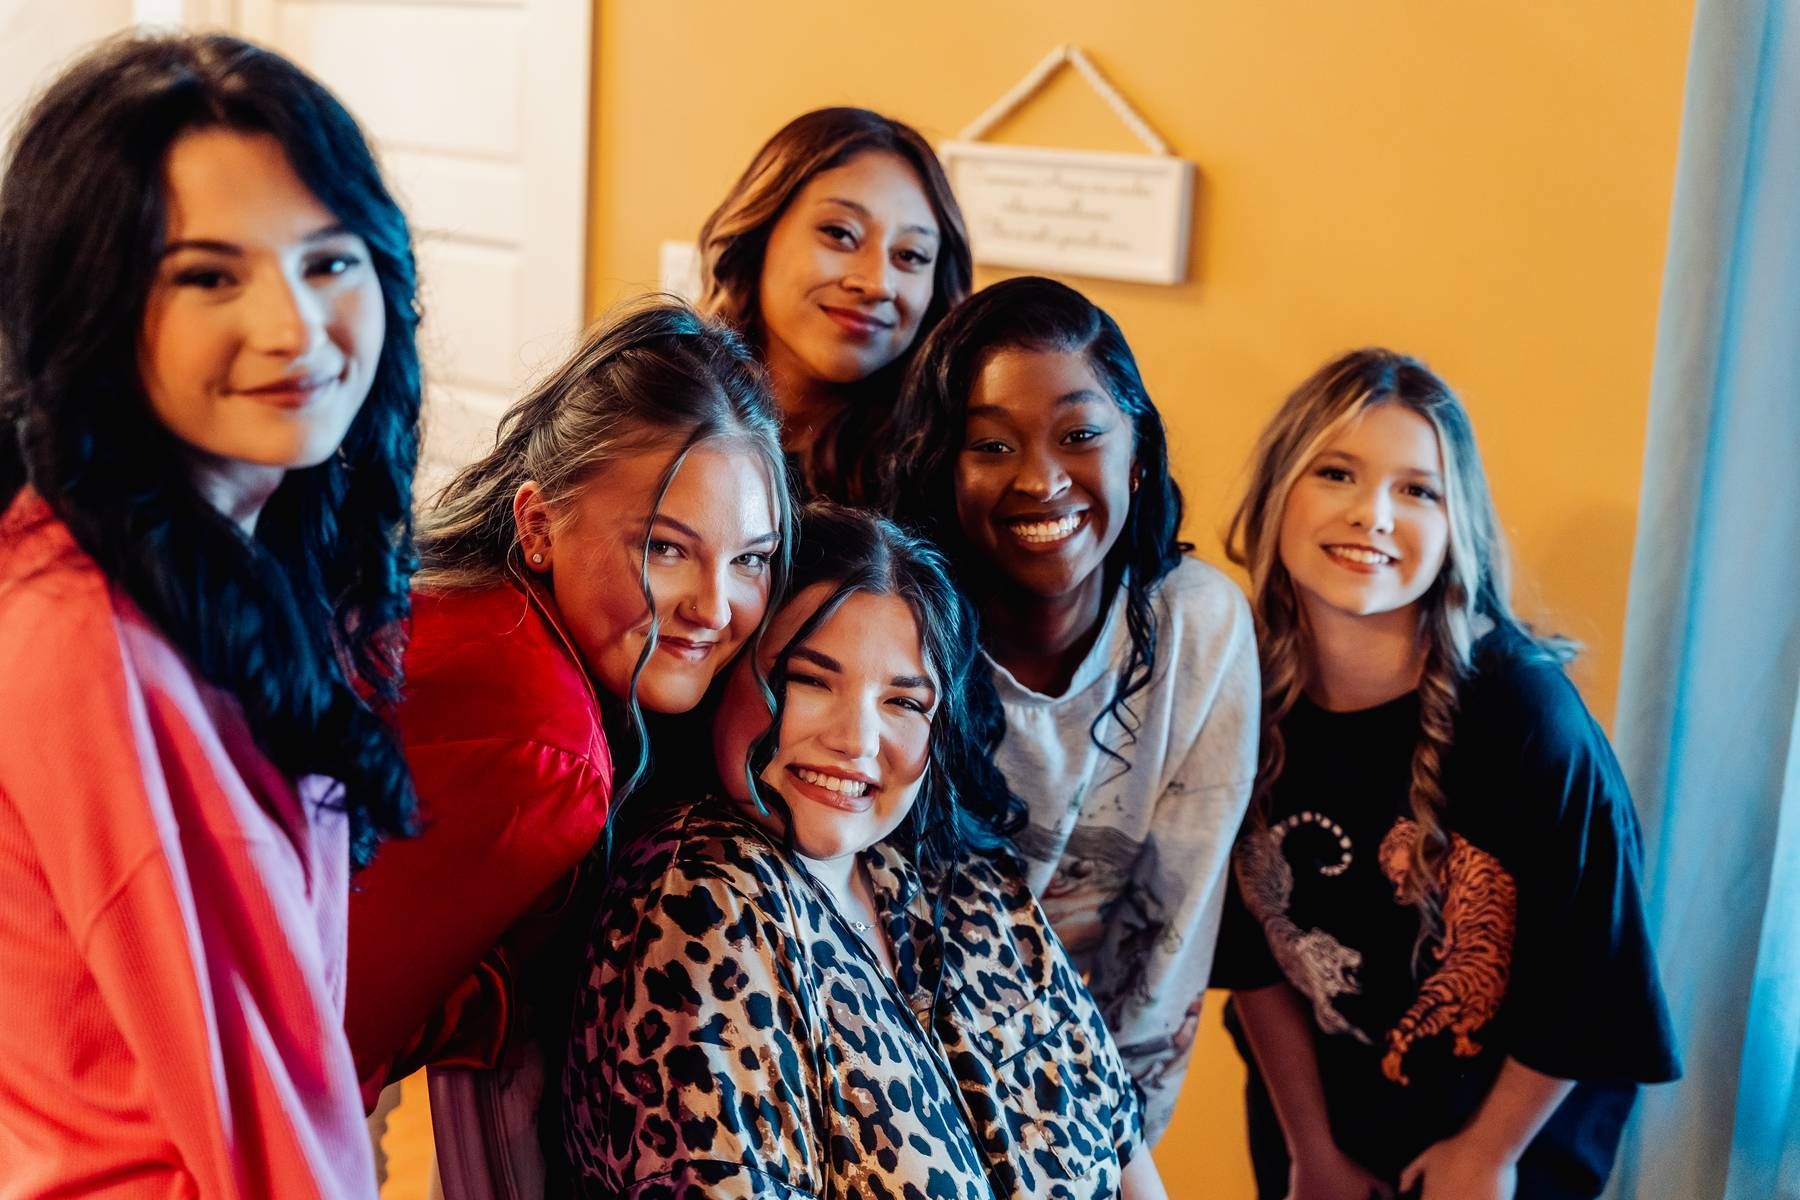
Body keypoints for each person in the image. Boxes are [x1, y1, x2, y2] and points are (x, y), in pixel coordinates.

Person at [0, 33, 421, 1196]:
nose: (295, 329)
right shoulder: (94, 638)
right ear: (91, 303)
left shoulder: (232, 551)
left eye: (328, 261)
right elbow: (256, 1132)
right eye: (208, 277)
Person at [563, 505, 1168, 1199]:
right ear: (725, 674)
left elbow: (1128, 1158)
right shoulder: (698, 902)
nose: (857, 740)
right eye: (810, 680)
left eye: (904, 703)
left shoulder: (969, 884)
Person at [1213, 349, 1680, 1200]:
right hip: (1320, 1129)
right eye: (1337, 473)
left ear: (1457, 524)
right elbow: (1249, 960)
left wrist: (1489, 1153)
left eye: (1417, 490)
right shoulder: (1229, 692)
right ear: (1278, 491)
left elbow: (1595, 980)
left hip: (1514, 1134)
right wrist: (1310, 1147)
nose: (1373, 515)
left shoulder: (1527, 717)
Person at [346, 300, 790, 1123]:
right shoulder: (547, 747)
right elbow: (319, 1037)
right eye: (665, 548)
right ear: (539, 525)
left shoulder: (476, 605)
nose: (715, 607)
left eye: (751, 559)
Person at [887, 276, 1259, 1139]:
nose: (1041, 479)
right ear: (944, 469)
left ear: (1136, 454)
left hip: (1090, 1113)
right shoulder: (895, 632)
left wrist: (1111, 1151)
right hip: (904, 1103)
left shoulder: (1198, 627)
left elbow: (1166, 941)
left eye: (1080, 435)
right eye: (991, 445)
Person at [696, 107, 972, 504]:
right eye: (840, 234)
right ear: (758, 237)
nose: (877, 284)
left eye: (910, 255)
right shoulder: (652, 416)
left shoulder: (946, 474)